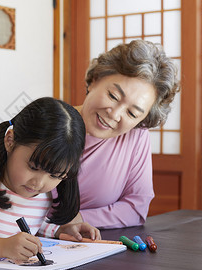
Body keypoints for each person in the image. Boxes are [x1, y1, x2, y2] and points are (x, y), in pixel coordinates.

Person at [0, 98, 100, 262]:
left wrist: (62, 231)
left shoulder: (41, 195)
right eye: (33, 167)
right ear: (10, 141)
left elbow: (30, 224)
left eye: (55, 175)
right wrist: (2, 246)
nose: (39, 183)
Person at [70, 40, 180, 229]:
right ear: (94, 80)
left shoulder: (135, 136)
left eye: (132, 114)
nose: (114, 114)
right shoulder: (48, 121)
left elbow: (136, 208)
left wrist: (76, 220)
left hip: (90, 245)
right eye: (113, 96)